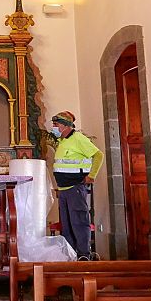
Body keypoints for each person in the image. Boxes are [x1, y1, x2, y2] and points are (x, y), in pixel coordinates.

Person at [50, 111, 104, 260]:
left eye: (56, 124)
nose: (53, 127)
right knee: (66, 226)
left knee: (79, 222)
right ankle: (71, 254)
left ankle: (83, 255)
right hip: (63, 190)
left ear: (65, 125)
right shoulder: (63, 141)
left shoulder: (78, 138)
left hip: (75, 188)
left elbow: (98, 155)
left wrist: (91, 175)